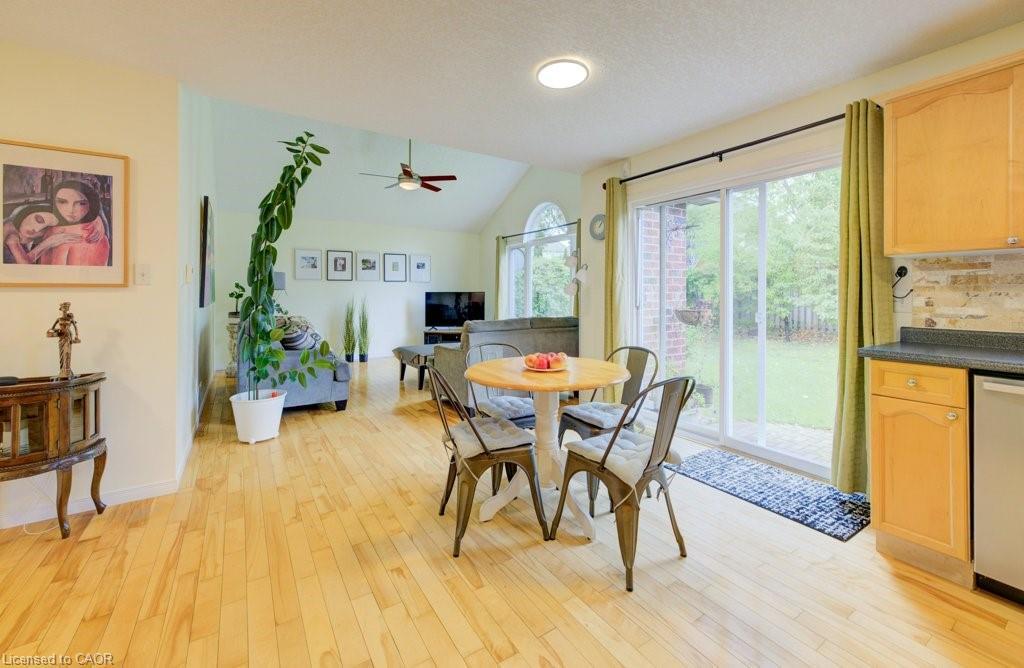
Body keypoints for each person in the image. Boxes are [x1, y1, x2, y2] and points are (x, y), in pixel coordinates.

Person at [45, 179, 110, 266]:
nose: (70, 210)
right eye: (62, 202)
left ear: (91, 204)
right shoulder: (100, 233)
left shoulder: (57, 232)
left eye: (81, 203)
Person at [2, 206, 82, 265]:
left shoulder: (25, 243)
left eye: (45, 229)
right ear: (28, 213)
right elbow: (24, 265)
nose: (37, 229)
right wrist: (47, 243)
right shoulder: (10, 231)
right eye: (39, 220)